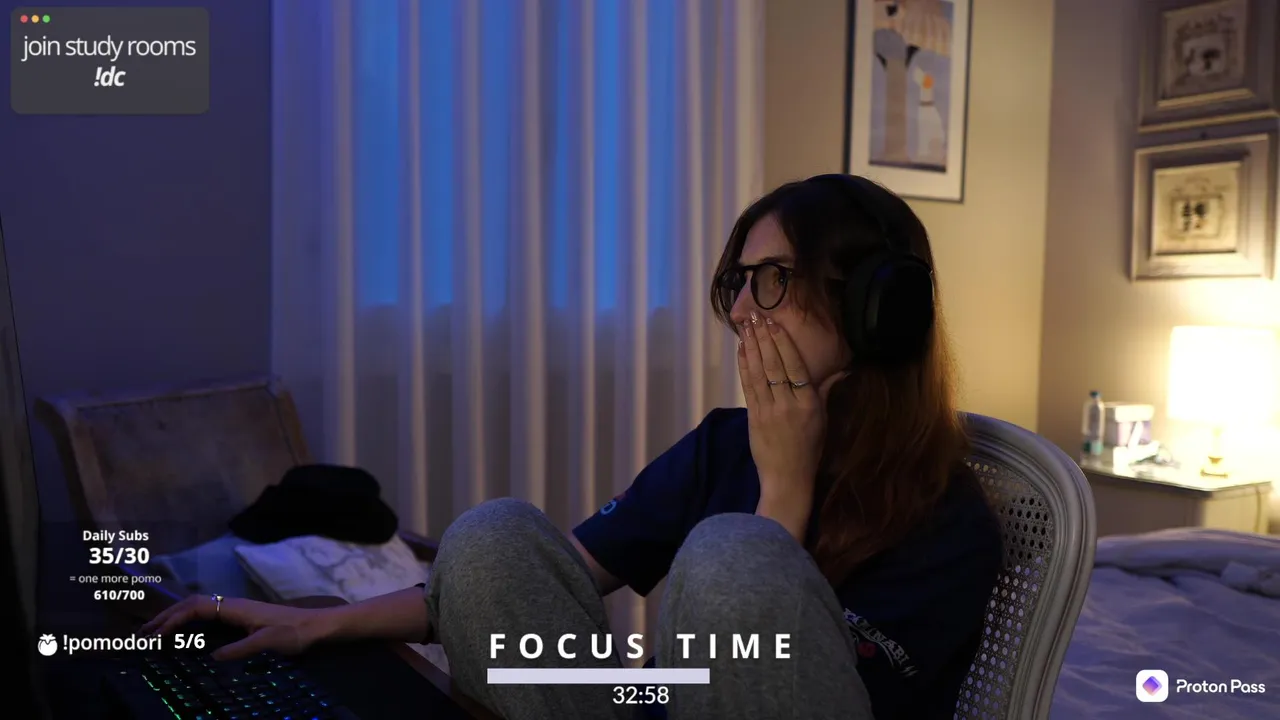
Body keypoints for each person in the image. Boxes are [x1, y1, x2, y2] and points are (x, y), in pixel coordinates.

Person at [143, 174, 1003, 720]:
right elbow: (547, 578)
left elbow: (769, 684)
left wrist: (783, 494)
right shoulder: (722, 444)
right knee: (493, 541)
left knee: (735, 557)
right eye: (736, 284)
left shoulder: (950, 519)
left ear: (877, 311)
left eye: (772, 280)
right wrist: (313, 624)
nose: (742, 311)